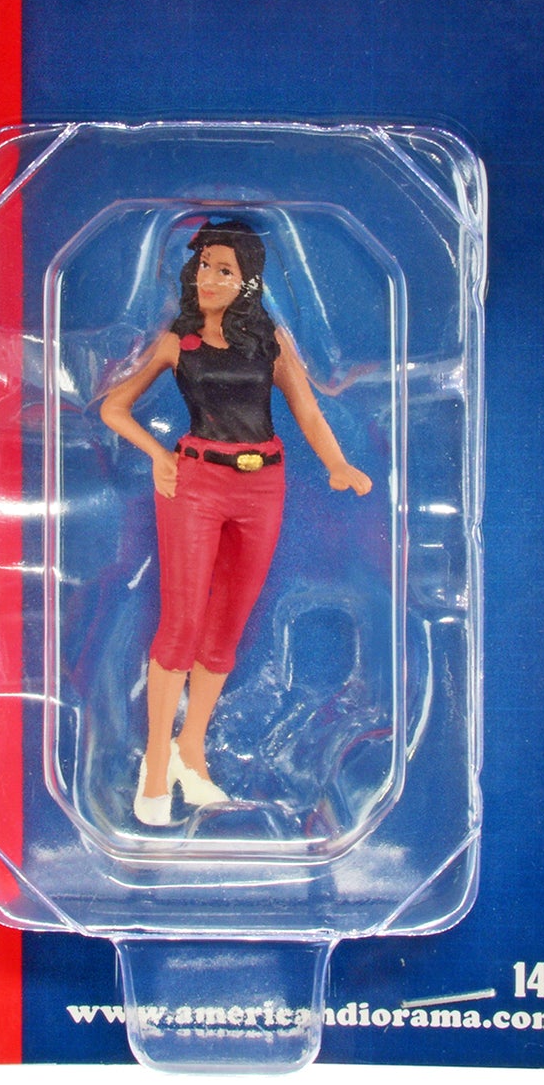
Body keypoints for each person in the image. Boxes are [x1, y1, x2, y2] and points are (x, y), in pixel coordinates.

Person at [99, 220, 373, 828]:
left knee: (228, 625)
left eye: (224, 269)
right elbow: (114, 407)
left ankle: (190, 752)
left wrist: (337, 465)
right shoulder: (178, 342)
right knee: (182, 622)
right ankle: (154, 763)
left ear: (247, 279)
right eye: (204, 267)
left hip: (262, 484)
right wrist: (159, 455)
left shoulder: (271, 341)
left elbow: (307, 409)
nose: (211, 278)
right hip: (195, 483)